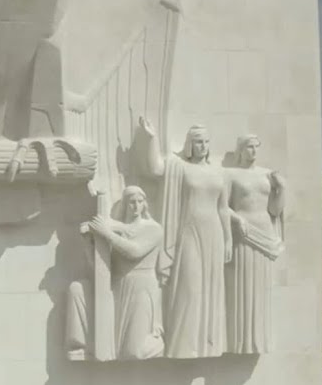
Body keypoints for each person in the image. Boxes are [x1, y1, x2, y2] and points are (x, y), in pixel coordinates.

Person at [134, 117, 231, 358]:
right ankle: (183, 346)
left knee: (211, 289)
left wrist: (228, 239)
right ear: (190, 144)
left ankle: (208, 345)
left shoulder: (218, 171)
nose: (203, 146)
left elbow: (223, 208)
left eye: (206, 141)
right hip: (189, 233)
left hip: (214, 235)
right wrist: (151, 138)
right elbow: (155, 167)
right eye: (198, 142)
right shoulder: (180, 166)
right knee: (190, 287)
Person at [82, 186, 167, 359]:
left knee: (135, 352)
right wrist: (88, 243)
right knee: (120, 349)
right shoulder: (117, 230)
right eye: (131, 202)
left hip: (142, 287)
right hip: (120, 286)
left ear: (145, 204)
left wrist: (107, 232)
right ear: (125, 205)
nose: (135, 206)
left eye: (139, 202)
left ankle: (159, 341)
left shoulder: (153, 228)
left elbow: (135, 251)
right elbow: (104, 268)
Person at [223, 134, 287, 355]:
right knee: (242, 286)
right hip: (243, 234)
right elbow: (222, 205)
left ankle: (259, 340)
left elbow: (275, 211)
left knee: (261, 288)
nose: (253, 151)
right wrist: (236, 219)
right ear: (240, 149)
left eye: (255, 147)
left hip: (264, 235)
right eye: (249, 147)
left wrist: (281, 189)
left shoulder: (267, 176)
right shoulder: (230, 174)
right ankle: (241, 341)